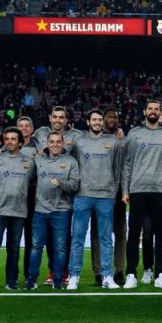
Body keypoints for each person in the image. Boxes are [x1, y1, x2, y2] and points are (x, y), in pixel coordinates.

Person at [122, 100, 162, 290]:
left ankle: (160, 275)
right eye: (150, 108)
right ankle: (131, 273)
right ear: (144, 111)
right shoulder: (134, 133)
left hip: (161, 190)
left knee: (161, 235)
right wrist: (125, 190)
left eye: (156, 109)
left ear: (159, 113)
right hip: (138, 190)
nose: (153, 111)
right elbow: (127, 164)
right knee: (134, 234)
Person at [69, 109, 122, 290]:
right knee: (77, 238)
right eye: (94, 119)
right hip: (82, 196)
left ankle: (107, 276)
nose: (98, 122)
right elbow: (72, 166)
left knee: (106, 238)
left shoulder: (113, 142)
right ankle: (74, 276)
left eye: (100, 119)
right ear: (88, 122)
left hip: (105, 197)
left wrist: (112, 192)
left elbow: (117, 171)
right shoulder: (79, 141)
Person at [0, 127, 34, 290]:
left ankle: (12, 281)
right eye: (7, 139)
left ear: (20, 142)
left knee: (14, 248)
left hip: (19, 211)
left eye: (13, 139)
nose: (9, 141)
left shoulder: (29, 162)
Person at [28, 132, 80, 290]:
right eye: (52, 142)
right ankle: (31, 279)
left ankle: (58, 280)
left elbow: (75, 185)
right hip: (40, 211)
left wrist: (61, 183)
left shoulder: (71, 161)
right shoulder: (38, 160)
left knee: (60, 248)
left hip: (61, 211)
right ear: (47, 144)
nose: (55, 144)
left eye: (58, 142)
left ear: (63, 143)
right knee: (36, 247)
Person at [89, 107, 127, 285]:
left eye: (115, 116)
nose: (112, 119)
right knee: (98, 234)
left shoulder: (123, 139)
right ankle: (98, 271)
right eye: (109, 116)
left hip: (118, 194)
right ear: (103, 120)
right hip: (99, 193)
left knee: (120, 233)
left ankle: (119, 270)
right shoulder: (95, 138)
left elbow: (126, 165)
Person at [16, 116, 39, 283]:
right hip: (15, 197)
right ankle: (13, 275)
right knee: (14, 238)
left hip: (33, 196)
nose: (24, 128)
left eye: (27, 126)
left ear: (32, 129)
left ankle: (29, 275)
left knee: (31, 238)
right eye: (21, 126)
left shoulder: (39, 147)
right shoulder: (9, 147)